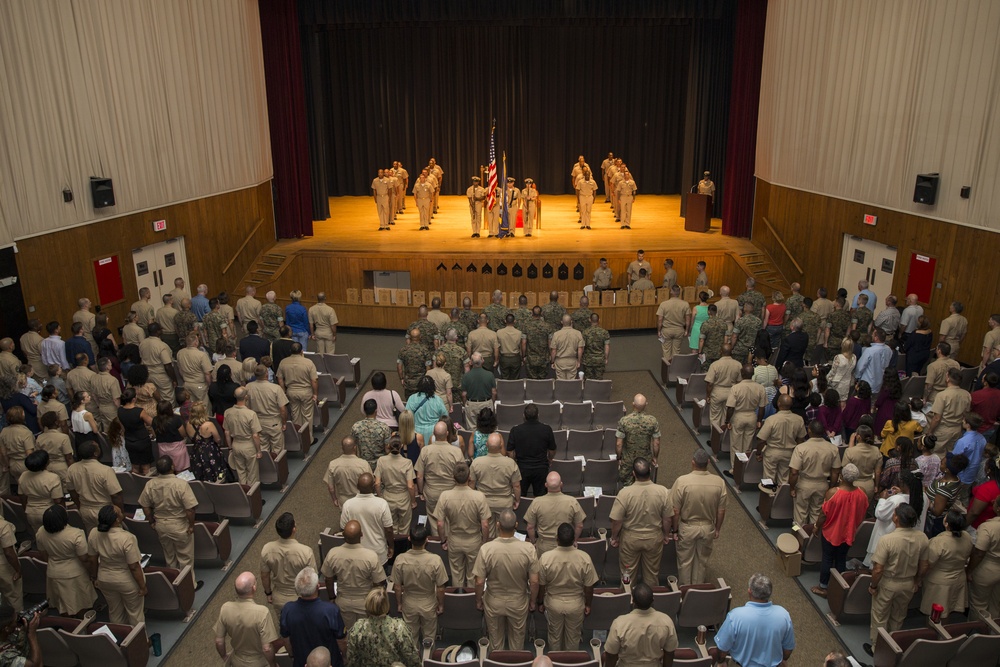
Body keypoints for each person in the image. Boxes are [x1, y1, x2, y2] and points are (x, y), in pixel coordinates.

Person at [865, 504, 929, 653]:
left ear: (896, 518)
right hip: (908, 583)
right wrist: (917, 581)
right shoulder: (922, 538)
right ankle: (893, 645)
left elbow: (878, 569)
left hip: (888, 583)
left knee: (880, 616)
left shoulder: (887, 540)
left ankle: (877, 647)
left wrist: (873, 586)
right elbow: (925, 565)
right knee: (899, 616)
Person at [472, 509, 538, 652]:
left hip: (494, 601)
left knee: (495, 642)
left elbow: (479, 582)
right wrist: (532, 601)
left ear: (497, 525)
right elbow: (534, 582)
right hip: (518, 601)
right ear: (516, 525)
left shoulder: (486, 549)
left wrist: (478, 600)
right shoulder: (528, 549)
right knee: (517, 642)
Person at [536, 523, 598, 651]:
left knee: (554, 637)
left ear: (556, 538)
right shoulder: (584, 558)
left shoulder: (545, 558)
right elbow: (589, 586)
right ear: (574, 539)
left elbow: (541, 585)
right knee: (573, 638)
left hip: (554, 603)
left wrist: (540, 602)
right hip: (575, 604)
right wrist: (588, 604)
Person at [609, 458, 671, 586]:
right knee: (652, 574)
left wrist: (614, 537)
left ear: (633, 474)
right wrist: (665, 535)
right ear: (650, 470)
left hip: (630, 539)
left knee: (627, 575)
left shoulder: (624, 493)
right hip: (654, 538)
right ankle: (650, 601)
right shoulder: (663, 491)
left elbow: (617, 520)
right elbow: (667, 518)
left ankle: (627, 600)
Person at [811, 464, 868, 597]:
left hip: (832, 532)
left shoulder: (833, 493)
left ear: (841, 477)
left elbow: (823, 514)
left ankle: (823, 587)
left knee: (827, 558)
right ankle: (839, 587)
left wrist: (816, 526)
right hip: (849, 533)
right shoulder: (862, 492)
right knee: (841, 559)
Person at [670, 449, 727, 586]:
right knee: (702, 561)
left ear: (693, 462)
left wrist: (675, 530)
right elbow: (721, 510)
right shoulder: (719, 482)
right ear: (708, 462)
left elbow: (675, 510)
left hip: (687, 526)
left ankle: (685, 591)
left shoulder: (682, 481)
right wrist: (717, 529)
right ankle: (698, 590)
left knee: (685, 562)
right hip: (708, 526)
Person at [713, 573, 794, 667]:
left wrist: (721, 662)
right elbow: (788, 649)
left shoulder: (735, 616)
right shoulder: (783, 615)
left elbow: (722, 648)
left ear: (749, 591)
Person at [139, 455, 198, 580]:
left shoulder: (150, 484)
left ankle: (173, 582)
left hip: (161, 525)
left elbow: (145, 506)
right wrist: (191, 525)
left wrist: (151, 522)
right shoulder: (181, 484)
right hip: (179, 525)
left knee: (169, 557)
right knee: (185, 558)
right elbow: (190, 509)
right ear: (172, 467)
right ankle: (188, 585)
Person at [320, 520, 387, 630]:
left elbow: (328, 578)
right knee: (367, 634)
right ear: (361, 535)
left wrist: (332, 597)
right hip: (365, 603)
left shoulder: (333, 553)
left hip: (343, 602)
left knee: (349, 634)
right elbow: (378, 583)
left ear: (343, 536)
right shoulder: (371, 556)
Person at [88, 505, 146, 626]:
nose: (121, 511)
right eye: (119, 512)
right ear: (117, 520)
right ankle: (140, 642)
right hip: (126, 580)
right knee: (135, 613)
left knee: (115, 612)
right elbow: (134, 567)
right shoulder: (127, 538)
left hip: (104, 578)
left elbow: (93, 560)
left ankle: (121, 638)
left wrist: (94, 577)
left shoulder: (93, 533)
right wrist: (142, 586)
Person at [392, 524, 448, 650]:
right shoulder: (435, 560)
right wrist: (441, 604)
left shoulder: (400, 559)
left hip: (409, 602)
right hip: (428, 602)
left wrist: (399, 603)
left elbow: (397, 586)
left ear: (409, 539)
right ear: (427, 540)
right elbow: (440, 588)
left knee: (411, 639)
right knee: (429, 638)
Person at [435, 463, 490, 589]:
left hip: (454, 540)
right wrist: (484, 541)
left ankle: (458, 601)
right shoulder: (479, 496)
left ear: (453, 477)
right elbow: (485, 524)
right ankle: (471, 599)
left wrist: (443, 540)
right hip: (474, 540)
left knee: (456, 574)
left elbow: (439, 523)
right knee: (473, 575)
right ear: (469, 477)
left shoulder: (445, 496)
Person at [35, 505, 97, 616]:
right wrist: (93, 573)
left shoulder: (40, 532)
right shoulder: (76, 534)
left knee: (62, 606)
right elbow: (84, 559)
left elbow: (43, 554)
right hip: (75, 574)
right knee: (80, 606)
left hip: (53, 572)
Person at [280, 566, 344, 667]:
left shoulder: (287, 610)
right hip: (329, 662)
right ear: (317, 587)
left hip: (301, 662)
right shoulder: (330, 610)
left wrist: (292, 655)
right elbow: (341, 640)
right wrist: (344, 655)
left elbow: (286, 639)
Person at [603, 582, 678, 667]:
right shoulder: (666, 621)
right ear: (653, 600)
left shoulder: (619, 623)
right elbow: (669, 653)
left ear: (633, 601)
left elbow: (611, 655)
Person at [214, 571, 279, 667]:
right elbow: (267, 648)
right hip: (259, 662)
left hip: (237, 661)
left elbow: (219, 641)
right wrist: (273, 664)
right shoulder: (262, 613)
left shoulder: (225, 608)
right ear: (254, 588)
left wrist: (224, 657)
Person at [917, 510, 971, 620]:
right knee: (948, 612)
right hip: (959, 578)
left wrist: (919, 578)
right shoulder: (967, 537)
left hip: (939, 583)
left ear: (946, 523)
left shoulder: (939, 542)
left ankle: (934, 635)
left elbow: (928, 564)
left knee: (935, 616)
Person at [345, 588, 419, 667]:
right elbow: (411, 657)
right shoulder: (398, 627)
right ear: (387, 605)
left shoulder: (358, 627)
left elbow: (351, 658)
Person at [261, 513, 317, 613]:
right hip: (300, 598)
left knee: (283, 626)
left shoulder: (267, 549)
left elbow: (264, 575)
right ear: (294, 529)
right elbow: (312, 579)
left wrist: (268, 593)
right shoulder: (305, 552)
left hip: (279, 597)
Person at [788, 420, 841, 526]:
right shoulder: (833, 448)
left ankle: (797, 536)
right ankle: (813, 537)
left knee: (799, 514)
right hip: (822, 484)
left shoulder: (801, 448)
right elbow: (836, 471)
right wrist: (831, 487)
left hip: (804, 484)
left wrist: (792, 487)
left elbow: (794, 472)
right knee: (816, 513)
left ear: (809, 431)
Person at [66, 440, 123, 535]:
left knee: (93, 537)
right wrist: (120, 512)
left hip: (85, 509)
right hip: (105, 511)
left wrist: (80, 506)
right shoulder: (105, 470)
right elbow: (115, 495)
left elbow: (72, 492)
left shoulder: (72, 469)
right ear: (96, 453)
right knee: (112, 537)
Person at [470, 433, 521, 537]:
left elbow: (471, 483)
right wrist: (517, 499)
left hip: (484, 502)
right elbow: (516, 486)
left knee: (486, 533)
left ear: (486, 445)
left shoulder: (476, 462)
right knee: (504, 534)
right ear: (501, 446)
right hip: (504, 503)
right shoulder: (510, 463)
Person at [525, 472, 586, 556]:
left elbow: (530, 527)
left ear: (546, 485)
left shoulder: (536, 502)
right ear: (561, 484)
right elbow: (580, 525)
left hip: (544, 547)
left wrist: (533, 541)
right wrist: (573, 540)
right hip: (565, 546)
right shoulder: (572, 501)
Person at [341, 473, 394, 567]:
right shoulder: (382, 504)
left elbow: (344, 529)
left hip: (356, 554)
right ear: (373, 487)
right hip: (378, 553)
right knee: (380, 580)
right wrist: (391, 546)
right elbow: (389, 529)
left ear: (357, 486)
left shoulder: (348, 505)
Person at [507, 403, 557, 497]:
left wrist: (514, 462)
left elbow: (509, 451)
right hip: (541, 469)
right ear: (538, 416)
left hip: (522, 469)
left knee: (520, 497)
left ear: (524, 416)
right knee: (541, 497)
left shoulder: (515, 430)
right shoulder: (547, 429)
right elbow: (552, 449)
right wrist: (550, 459)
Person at [277, 342, 319, 447]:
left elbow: (280, 378)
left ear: (291, 351)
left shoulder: (283, 362)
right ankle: (308, 439)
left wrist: (284, 391)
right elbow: (314, 380)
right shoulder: (308, 362)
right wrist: (315, 394)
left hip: (291, 391)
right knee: (307, 416)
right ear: (301, 351)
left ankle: (298, 438)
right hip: (305, 391)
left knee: (295, 415)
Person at [615, 394, 661, 488]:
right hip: (645, 460)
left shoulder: (624, 421)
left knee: (626, 485)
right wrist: (655, 457)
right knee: (643, 485)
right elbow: (656, 443)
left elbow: (619, 444)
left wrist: (619, 458)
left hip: (628, 461)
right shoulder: (652, 421)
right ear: (646, 405)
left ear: (633, 404)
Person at [374, 436, 416, 535]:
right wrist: (413, 501)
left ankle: (392, 546)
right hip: (404, 497)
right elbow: (410, 486)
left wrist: (380, 497)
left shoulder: (381, 460)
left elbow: (377, 483)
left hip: (388, 496)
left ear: (388, 446)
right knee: (404, 527)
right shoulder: (407, 462)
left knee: (391, 526)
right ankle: (402, 547)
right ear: (401, 446)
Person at [967, 495, 1000, 621]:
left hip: (987, 568)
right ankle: (994, 633)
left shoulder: (988, 527)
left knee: (978, 604)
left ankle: (978, 633)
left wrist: (969, 570)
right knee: (996, 604)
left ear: (998, 508)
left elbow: (979, 552)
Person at [925, 368, 972, 455]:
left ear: (947, 378)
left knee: (937, 454)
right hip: (957, 429)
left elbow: (936, 418)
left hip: (943, 429)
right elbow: (966, 413)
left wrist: (930, 431)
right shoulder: (967, 394)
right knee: (951, 453)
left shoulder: (942, 395)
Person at [224, 387, 263, 487]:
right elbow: (255, 435)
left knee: (241, 473)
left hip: (236, 444)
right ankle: (253, 498)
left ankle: (244, 496)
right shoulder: (251, 414)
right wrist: (258, 450)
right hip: (249, 445)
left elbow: (227, 432)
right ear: (246, 397)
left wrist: (230, 448)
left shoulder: (228, 412)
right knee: (252, 474)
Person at [724, 365, 767, 455]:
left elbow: (731, 407)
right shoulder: (760, 388)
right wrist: (759, 420)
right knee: (748, 445)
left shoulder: (736, 388)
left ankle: (735, 467)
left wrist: (727, 421)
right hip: (752, 416)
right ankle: (744, 465)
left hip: (738, 416)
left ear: (742, 373)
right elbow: (762, 407)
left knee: (736, 445)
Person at [18, 451, 62, 536]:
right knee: (53, 538)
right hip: (49, 513)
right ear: (46, 463)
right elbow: (57, 500)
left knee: (39, 538)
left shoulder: (23, 475)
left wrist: (26, 509)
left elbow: (22, 496)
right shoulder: (52, 477)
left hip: (31, 512)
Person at [925, 454, 968, 538]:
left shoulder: (944, 488)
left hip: (934, 522)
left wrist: (926, 500)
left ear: (947, 470)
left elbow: (937, 512)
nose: (940, 462)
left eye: (942, 463)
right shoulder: (956, 479)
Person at [323, 437, 372, 509]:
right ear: (355, 448)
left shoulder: (333, 464)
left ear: (342, 448)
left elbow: (331, 488)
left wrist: (334, 499)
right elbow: (370, 483)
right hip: (360, 499)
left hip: (344, 500)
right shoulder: (363, 464)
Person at [189, 402, 228, 483]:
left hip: (196, 452)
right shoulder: (209, 424)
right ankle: (219, 484)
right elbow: (218, 439)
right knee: (219, 470)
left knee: (200, 472)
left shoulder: (188, 425)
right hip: (211, 452)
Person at [405, 375, 448, 449]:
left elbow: (406, 416)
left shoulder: (412, 398)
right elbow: (445, 417)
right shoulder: (438, 400)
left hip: (415, 434)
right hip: (433, 434)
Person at [842, 425, 882, 500]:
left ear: (858, 437)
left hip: (853, 485)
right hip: (869, 485)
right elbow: (878, 472)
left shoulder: (850, 451)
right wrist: (876, 486)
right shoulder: (876, 450)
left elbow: (846, 470)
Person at [0, 601, 42, 667]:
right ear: (7, 629)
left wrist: (24, 631)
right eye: (16, 621)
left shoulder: (3, 635)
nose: (18, 622)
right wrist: (32, 634)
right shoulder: (4, 657)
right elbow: (37, 665)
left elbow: (18, 649)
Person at [461, 353, 495, 430]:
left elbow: (464, 394)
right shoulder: (490, 375)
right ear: (483, 361)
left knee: (472, 430)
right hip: (486, 404)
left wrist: (465, 404)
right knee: (487, 428)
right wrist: (491, 402)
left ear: (471, 362)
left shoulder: (466, 376)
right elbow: (494, 392)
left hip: (471, 404)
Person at [656, 285, 689, 364]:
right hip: (679, 330)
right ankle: (675, 368)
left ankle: (667, 368)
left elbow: (660, 319)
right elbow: (688, 319)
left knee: (666, 350)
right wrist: (687, 330)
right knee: (676, 351)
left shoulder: (663, 304)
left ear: (671, 292)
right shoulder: (685, 304)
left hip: (667, 330)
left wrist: (659, 331)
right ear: (679, 293)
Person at [550, 315, 584, 380]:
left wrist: (552, 361)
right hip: (572, 361)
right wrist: (579, 361)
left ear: (562, 322)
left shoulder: (556, 334)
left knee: (560, 383)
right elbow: (580, 350)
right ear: (571, 322)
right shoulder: (578, 333)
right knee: (571, 383)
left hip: (560, 361)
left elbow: (553, 350)